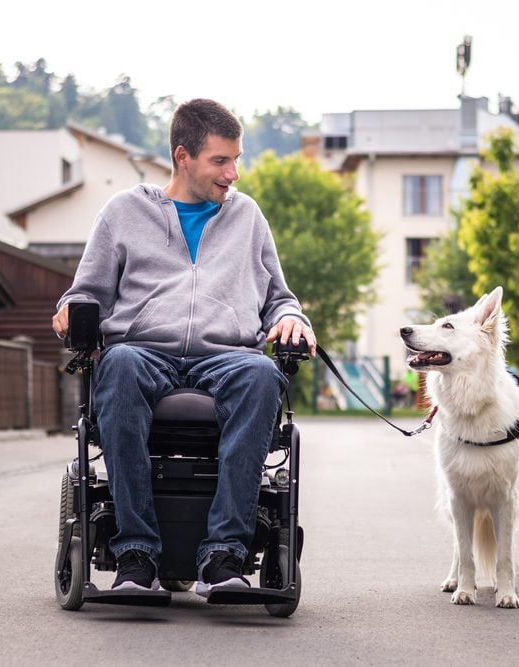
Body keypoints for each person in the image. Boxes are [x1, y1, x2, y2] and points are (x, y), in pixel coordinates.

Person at [51, 98, 316, 597]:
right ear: (183, 156)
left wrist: (291, 320)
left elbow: (280, 299)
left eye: (236, 159)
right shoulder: (124, 212)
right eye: (221, 160)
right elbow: (84, 293)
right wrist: (72, 310)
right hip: (143, 351)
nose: (233, 174)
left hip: (227, 356)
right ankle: (136, 555)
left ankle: (224, 557)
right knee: (122, 364)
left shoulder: (248, 218)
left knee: (262, 375)